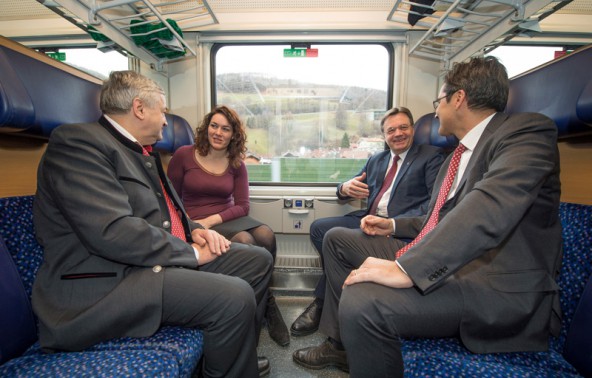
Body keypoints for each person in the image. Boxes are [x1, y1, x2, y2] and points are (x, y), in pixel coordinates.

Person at [292, 56, 562, 377]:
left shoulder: (526, 133)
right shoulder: (454, 158)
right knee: (336, 239)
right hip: (443, 257)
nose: (435, 112)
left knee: (362, 299)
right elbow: (439, 219)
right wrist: (391, 225)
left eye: (439, 101)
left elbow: (490, 206)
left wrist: (407, 267)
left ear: (458, 98)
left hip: (490, 284)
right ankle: (341, 346)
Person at [32, 71, 273, 378]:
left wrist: (195, 231)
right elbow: (113, 231)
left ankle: (234, 352)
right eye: (162, 110)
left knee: (257, 261)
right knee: (235, 296)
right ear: (139, 108)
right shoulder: (78, 144)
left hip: (150, 263)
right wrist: (192, 254)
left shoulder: (140, 151)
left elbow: (169, 211)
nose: (164, 121)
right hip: (112, 282)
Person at [290, 107, 445, 337]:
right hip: (368, 219)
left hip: (396, 228)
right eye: (391, 130)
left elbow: (434, 208)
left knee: (335, 239)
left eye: (403, 127)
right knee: (319, 229)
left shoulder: (430, 157)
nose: (398, 134)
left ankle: (323, 301)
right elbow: (348, 186)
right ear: (384, 136)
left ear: (412, 129)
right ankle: (337, 288)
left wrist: (393, 223)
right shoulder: (377, 160)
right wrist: (344, 188)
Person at [167, 105, 290, 347]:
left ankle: (267, 302)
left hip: (225, 217)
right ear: (206, 127)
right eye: (214, 126)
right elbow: (170, 199)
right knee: (246, 241)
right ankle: (251, 312)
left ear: (233, 135)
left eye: (225, 129)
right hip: (194, 220)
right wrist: (193, 225)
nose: (218, 133)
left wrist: (211, 220)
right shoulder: (183, 155)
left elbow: (243, 206)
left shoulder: (236, 163)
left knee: (266, 235)